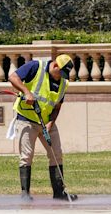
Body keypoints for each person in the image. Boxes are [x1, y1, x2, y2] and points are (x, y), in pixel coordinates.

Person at [8, 54, 78, 201]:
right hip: (26, 120)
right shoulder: (35, 67)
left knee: (56, 154)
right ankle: (25, 194)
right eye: (61, 73)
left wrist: (50, 123)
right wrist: (27, 92)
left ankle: (59, 193)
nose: (62, 77)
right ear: (55, 66)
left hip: (46, 122)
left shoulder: (63, 83)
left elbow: (57, 106)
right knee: (26, 156)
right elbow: (13, 77)